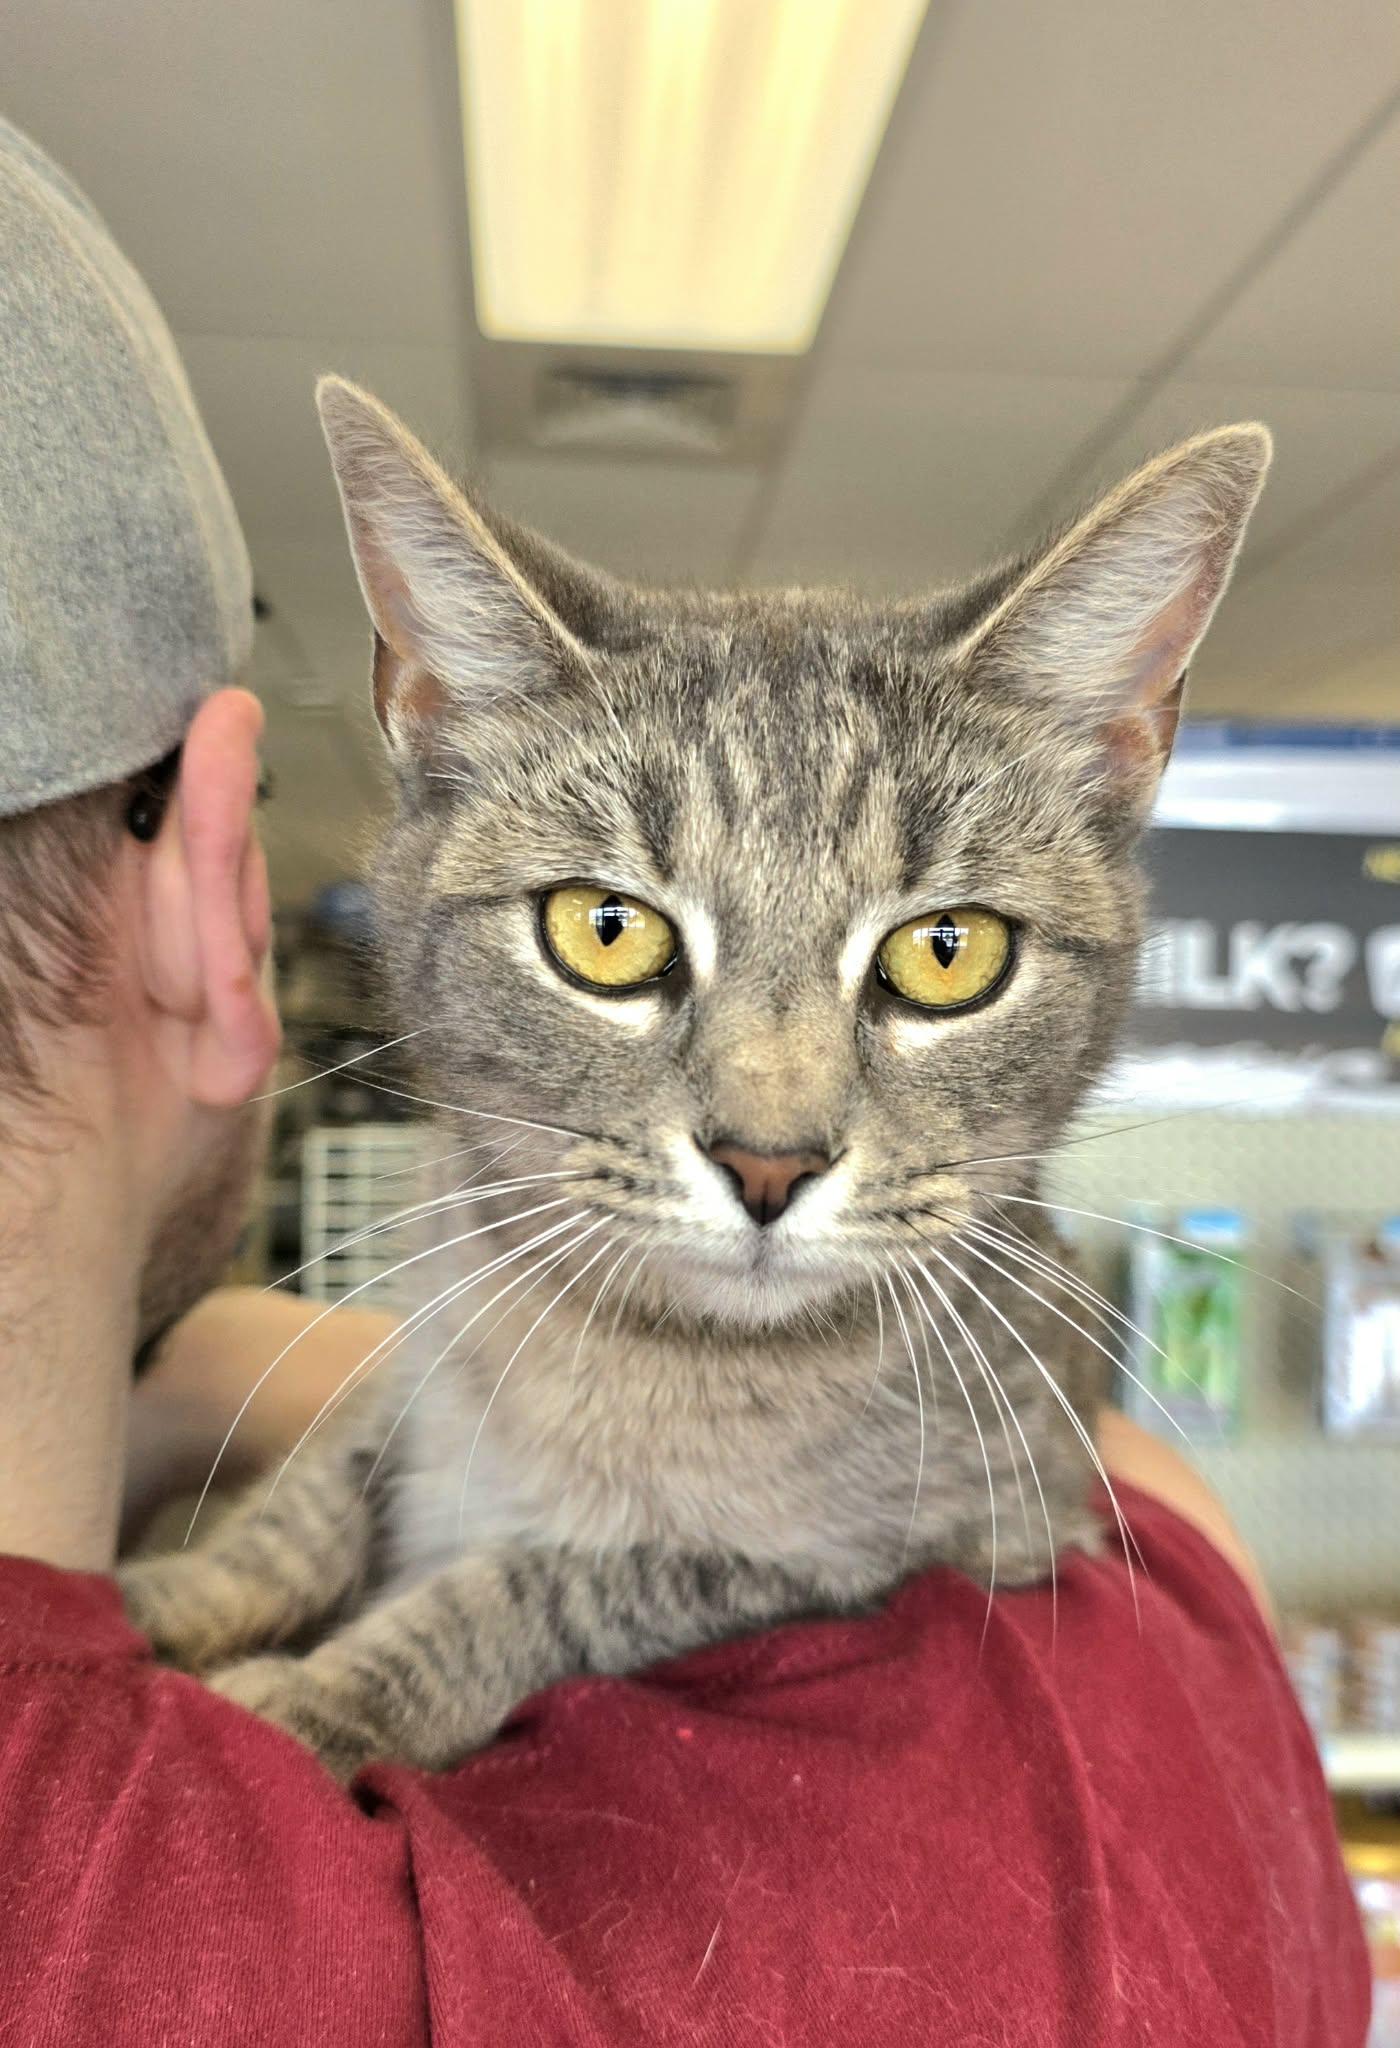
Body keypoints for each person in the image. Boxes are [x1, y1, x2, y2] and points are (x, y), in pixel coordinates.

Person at [0, 117, 1369, 2047]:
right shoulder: (1177, 1703)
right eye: (615, 939)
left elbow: (836, 1506)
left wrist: (292, 1553)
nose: (772, 1132)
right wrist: (268, 1540)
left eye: (937, 960)